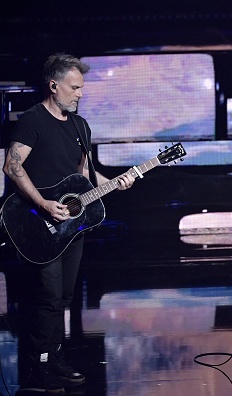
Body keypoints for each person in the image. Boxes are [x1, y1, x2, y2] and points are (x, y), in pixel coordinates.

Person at [2, 53, 136, 393]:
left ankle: (52, 357)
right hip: (38, 222)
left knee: (63, 295)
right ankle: (41, 363)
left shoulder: (80, 125)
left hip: (71, 225)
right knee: (47, 295)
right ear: (54, 85)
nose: (79, 94)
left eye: (81, 88)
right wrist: (44, 203)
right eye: (74, 88)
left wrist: (116, 181)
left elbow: (82, 176)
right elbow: (12, 167)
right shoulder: (33, 120)